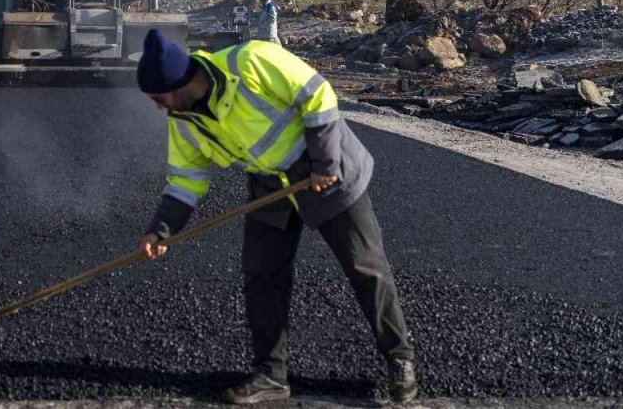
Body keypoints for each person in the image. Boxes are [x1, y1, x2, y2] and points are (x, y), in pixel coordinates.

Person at [135, 29, 416, 404]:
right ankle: (270, 375)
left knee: (365, 267)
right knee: (262, 275)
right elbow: (186, 179)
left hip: (329, 171)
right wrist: (161, 230)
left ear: (179, 82)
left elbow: (318, 94)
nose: (157, 106)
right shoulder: (182, 118)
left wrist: (323, 163)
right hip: (271, 185)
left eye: (157, 97)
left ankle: (400, 361)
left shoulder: (251, 60)